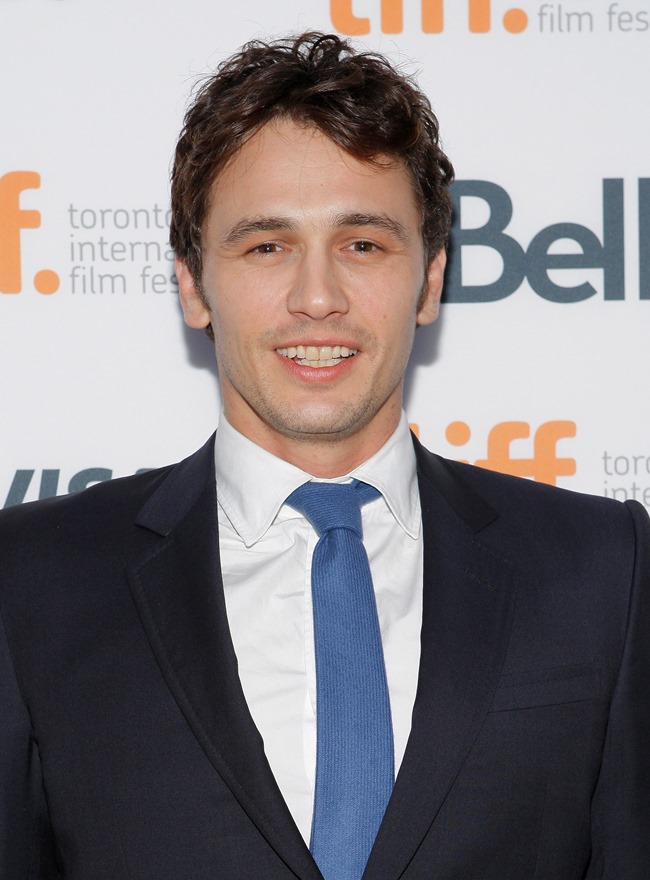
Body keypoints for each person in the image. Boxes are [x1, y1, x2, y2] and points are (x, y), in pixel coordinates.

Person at [1, 32, 648, 880]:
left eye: (363, 244)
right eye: (266, 245)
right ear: (193, 285)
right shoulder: (29, 581)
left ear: (430, 281)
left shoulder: (602, 571)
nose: (317, 298)